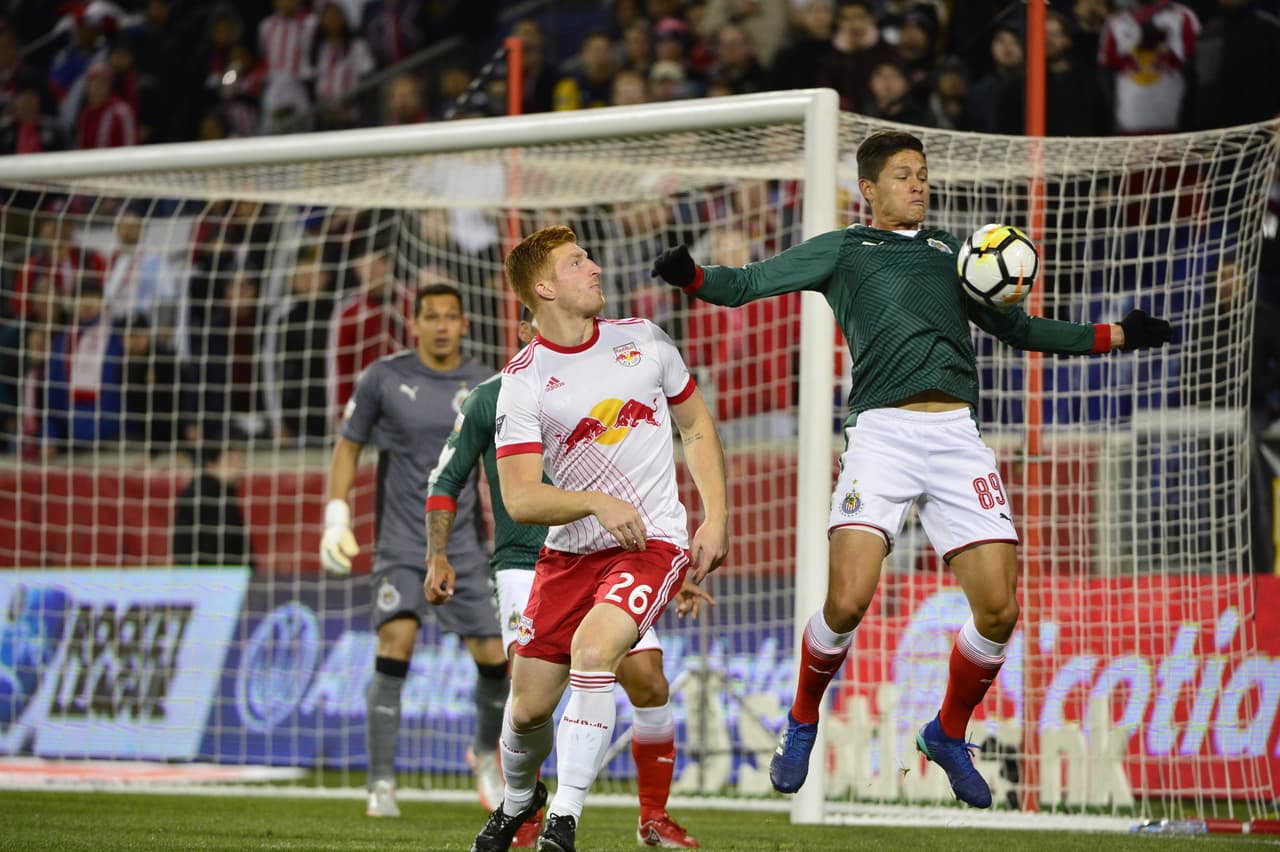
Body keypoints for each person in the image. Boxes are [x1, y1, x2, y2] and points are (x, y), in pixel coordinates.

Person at [650, 129, 1173, 809]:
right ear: (868, 189)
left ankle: (947, 733)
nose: (918, 185)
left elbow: (1018, 329)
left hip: (957, 438)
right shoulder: (846, 248)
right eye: (904, 175)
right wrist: (691, 275)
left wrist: (1117, 335)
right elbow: (747, 283)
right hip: (883, 437)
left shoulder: (957, 253)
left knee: (999, 609)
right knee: (846, 600)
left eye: (923, 174)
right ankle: (803, 717)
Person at [470, 226, 729, 852]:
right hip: (569, 552)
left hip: (652, 543)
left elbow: (694, 425)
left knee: (597, 654)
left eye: (589, 255)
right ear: (543, 287)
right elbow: (522, 497)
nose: (593, 267)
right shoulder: (523, 381)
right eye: (576, 261)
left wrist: (715, 516)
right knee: (527, 707)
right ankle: (514, 805)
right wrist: (593, 500)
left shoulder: (645, 341)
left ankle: (564, 818)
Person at [427, 308, 704, 849]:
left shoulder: (612, 369)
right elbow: (448, 478)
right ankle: (524, 802)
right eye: (531, 327)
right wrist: (437, 553)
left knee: (644, 675)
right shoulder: (497, 393)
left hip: (620, 554)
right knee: (529, 701)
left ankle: (637, 814)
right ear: (524, 329)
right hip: (527, 562)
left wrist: (669, 570)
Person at [320, 282, 507, 819]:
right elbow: (348, 444)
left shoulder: (483, 383)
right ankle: (380, 781)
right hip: (402, 543)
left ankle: (485, 757)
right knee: (396, 645)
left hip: (465, 546)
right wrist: (336, 514)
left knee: (495, 662)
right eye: (433, 316)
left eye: (452, 316)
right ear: (416, 323)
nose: (443, 325)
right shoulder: (384, 377)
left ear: (465, 325)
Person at [171, 421, 254, 571]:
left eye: (240, 461)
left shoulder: (225, 494)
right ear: (210, 464)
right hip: (211, 582)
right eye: (231, 461)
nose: (239, 467)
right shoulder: (201, 497)